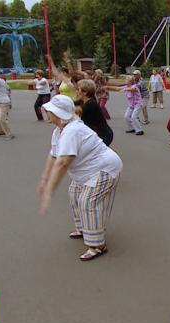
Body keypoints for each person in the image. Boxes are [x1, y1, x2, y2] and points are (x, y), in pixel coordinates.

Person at [37, 95, 123, 261]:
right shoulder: (59, 131)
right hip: (86, 171)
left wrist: (49, 191)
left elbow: (62, 164)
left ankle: (98, 245)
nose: (46, 112)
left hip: (104, 168)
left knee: (88, 202)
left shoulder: (72, 131)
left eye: (49, 110)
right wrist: (43, 179)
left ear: (58, 113)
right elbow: (53, 156)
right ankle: (85, 228)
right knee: (74, 195)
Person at [75, 79, 114, 146]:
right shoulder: (82, 101)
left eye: (79, 89)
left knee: (97, 153)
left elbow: (77, 109)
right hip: (95, 133)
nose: (77, 92)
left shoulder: (91, 103)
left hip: (103, 134)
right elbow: (70, 103)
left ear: (85, 92)